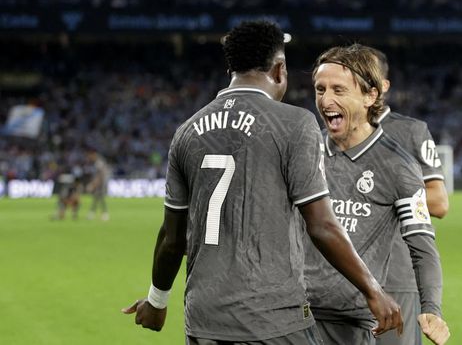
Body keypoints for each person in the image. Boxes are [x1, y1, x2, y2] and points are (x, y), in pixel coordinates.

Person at [122, 21, 402, 344]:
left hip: (203, 320)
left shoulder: (186, 132)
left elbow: (172, 238)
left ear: (230, 68)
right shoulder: (294, 125)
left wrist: (157, 302)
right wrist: (373, 289)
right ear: (279, 69)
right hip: (273, 319)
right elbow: (322, 226)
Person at [305, 44, 449, 345]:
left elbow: (422, 246)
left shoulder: (398, 167)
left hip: (354, 323)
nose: (326, 99)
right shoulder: (304, 153)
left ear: (370, 96)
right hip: (297, 318)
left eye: (339, 90)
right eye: (320, 89)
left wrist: (431, 309)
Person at [368, 46, 450, 345]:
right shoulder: (329, 135)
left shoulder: (410, 131)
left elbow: (439, 202)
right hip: (338, 280)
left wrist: (376, 195)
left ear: (383, 86)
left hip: (396, 275)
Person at [85, 150, 110, 221]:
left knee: (99, 198)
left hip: (101, 183)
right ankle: (95, 213)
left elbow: (100, 175)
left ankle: (103, 214)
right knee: (97, 198)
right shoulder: (98, 162)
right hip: (100, 183)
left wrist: (94, 184)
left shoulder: (98, 163)